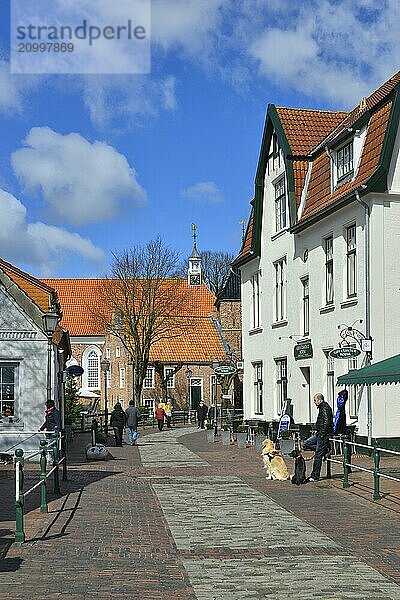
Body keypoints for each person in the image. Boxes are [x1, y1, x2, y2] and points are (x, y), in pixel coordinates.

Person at [303, 393, 333, 482]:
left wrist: (322, 433)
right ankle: (325, 450)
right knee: (306, 443)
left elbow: (327, 421)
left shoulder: (325, 408)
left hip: (323, 435)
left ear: (320, 400)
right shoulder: (321, 407)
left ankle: (315, 476)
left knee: (317, 456)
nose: (314, 402)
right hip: (319, 433)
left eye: (315, 400)